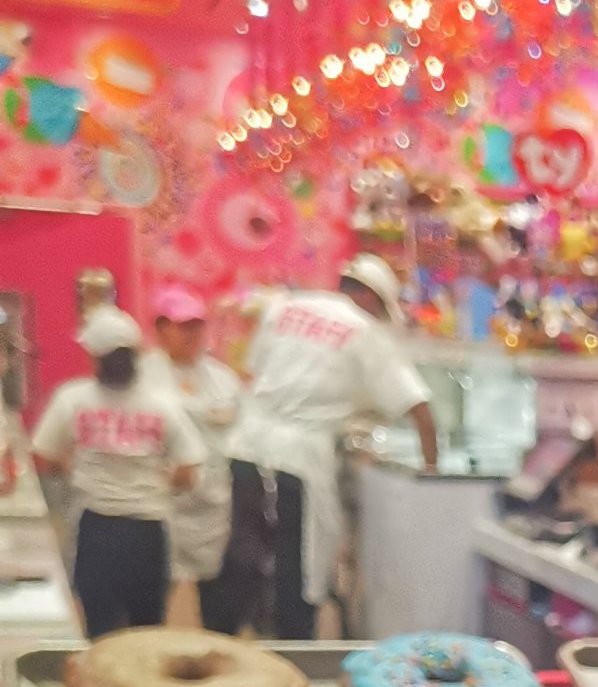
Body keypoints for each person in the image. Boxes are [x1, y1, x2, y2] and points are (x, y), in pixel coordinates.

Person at [203, 252, 437, 639]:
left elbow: (256, 370)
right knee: (300, 565)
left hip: (247, 448)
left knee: (243, 555)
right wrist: (431, 470)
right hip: (299, 462)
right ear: (371, 298)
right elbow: (420, 410)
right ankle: (297, 652)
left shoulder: (283, 308)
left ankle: (218, 643)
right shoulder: (364, 330)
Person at [30, 308, 203, 638]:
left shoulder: (73, 399)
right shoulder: (162, 404)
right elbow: (189, 469)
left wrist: (69, 469)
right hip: (149, 531)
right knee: (148, 632)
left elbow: (42, 457)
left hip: (96, 527)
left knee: (100, 631)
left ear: (94, 356)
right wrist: (160, 483)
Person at [147, 283, 244, 616]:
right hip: (162, 502)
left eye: (196, 325)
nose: (191, 334)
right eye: (182, 326)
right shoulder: (143, 377)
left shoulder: (223, 379)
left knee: (217, 595)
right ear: (161, 328)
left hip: (213, 506)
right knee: (156, 593)